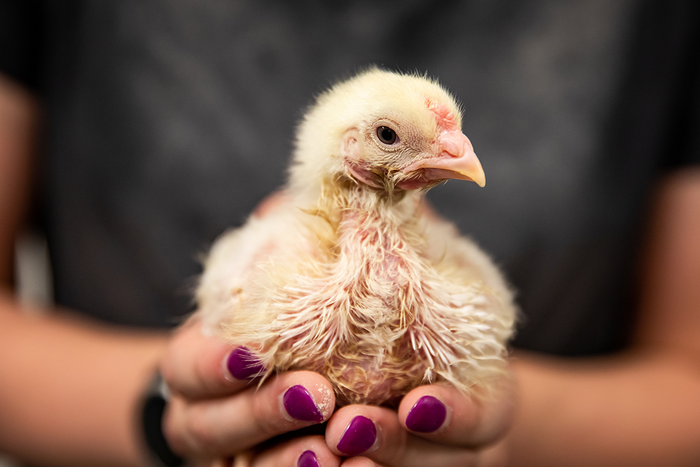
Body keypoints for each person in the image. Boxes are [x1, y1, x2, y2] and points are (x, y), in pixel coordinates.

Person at [1, 1, 699, 466]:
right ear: (344, 150)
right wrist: (176, 416)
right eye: (394, 138)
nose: (458, 154)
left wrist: (498, 426)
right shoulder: (263, 264)